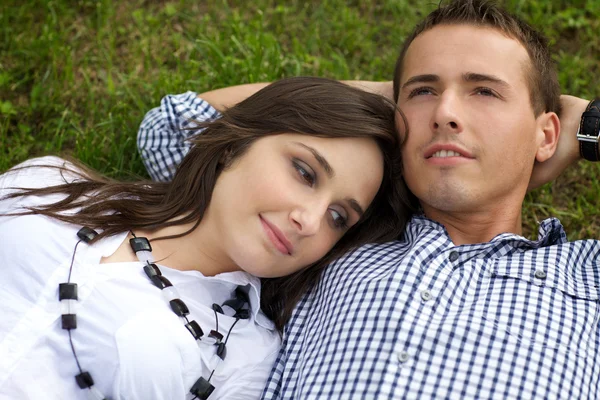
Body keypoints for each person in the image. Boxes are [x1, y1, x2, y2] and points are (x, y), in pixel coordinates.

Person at [137, 1, 599, 399]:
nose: (445, 113)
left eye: (484, 90)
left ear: (547, 134)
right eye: (424, 91)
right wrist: (381, 107)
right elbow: (173, 129)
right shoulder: (329, 234)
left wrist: (589, 127)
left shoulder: (588, 280)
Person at [0, 77, 415, 400]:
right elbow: (176, 118)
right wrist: (395, 96)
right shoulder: (49, 182)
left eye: (338, 216)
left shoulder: (243, 363)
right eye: (304, 173)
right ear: (233, 147)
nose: (309, 221)